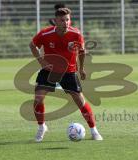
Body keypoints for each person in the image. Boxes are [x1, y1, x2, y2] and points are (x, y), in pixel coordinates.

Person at [29, 7, 103, 142]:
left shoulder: (76, 34)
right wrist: (41, 61)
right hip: (49, 71)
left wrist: (81, 69)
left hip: (69, 72)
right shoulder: (45, 34)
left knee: (80, 100)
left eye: (67, 20)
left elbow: (81, 51)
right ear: (56, 21)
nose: (66, 23)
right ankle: (41, 127)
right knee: (38, 99)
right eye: (62, 20)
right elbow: (32, 45)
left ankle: (94, 131)